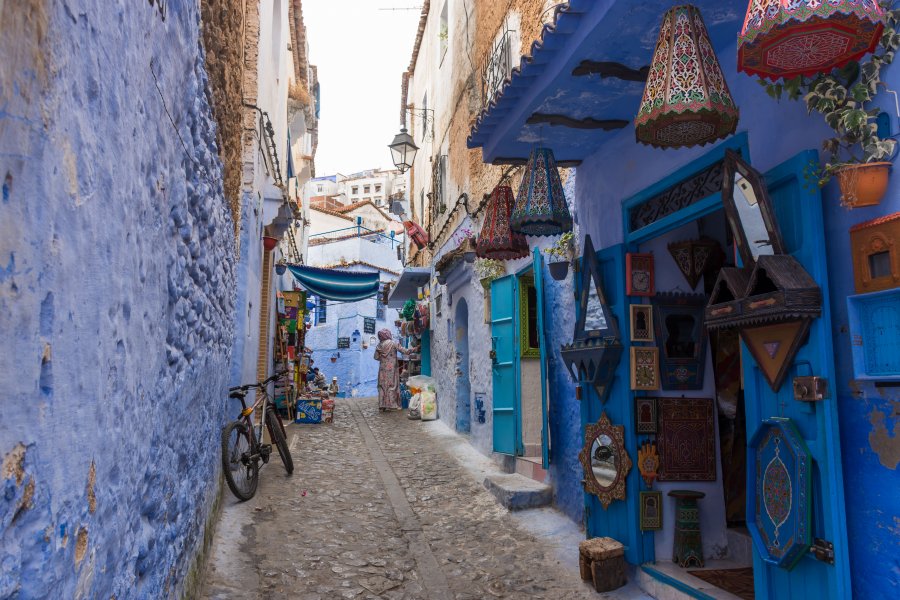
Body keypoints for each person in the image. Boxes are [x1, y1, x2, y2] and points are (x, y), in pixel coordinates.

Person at [373, 328, 410, 411]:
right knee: (392, 385)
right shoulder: (393, 343)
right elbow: (404, 351)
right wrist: (414, 349)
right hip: (392, 368)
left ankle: (382, 405)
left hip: (382, 368)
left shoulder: (379, 345)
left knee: (382, 386)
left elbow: (375, 357)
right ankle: (392, 405)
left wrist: (383, 359)